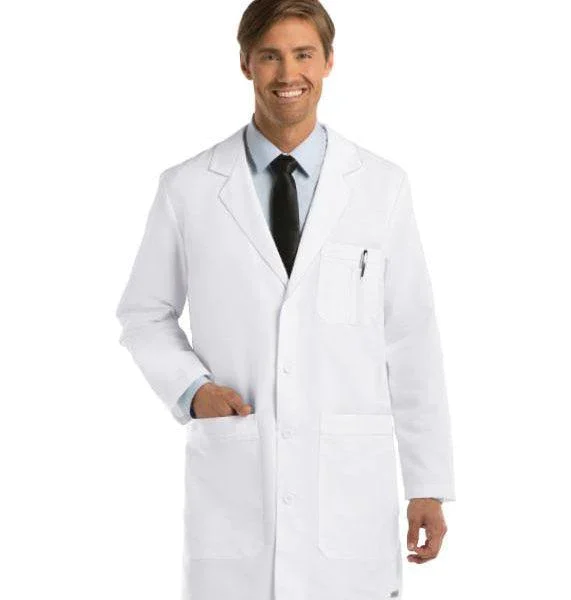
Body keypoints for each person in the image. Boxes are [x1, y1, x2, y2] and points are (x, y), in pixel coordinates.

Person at [115, 1, 456, 598]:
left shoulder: (381, 187)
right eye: (270, 56)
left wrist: (427, 482)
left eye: (303, 54)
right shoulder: (188, 188)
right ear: (245, 64)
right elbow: (144, 314)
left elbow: (410, 337)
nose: (288, 73)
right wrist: (192, 390)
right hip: (237, 488)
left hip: (348, 493)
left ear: (328, 62)